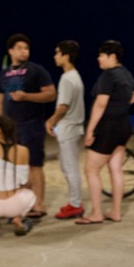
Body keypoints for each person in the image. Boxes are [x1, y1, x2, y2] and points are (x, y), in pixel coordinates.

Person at [76, 40, 134, 225]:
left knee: (91, 169)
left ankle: (96, 213)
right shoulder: (126, 74)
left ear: (112, 57)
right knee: (115, 168)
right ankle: (116, 211)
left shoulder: (108, 75)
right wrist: (124, 104)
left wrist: (89, 130)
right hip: (123, 125)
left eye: (101, 55)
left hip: (108, 127)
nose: (98, 59)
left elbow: (101, 103)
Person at [0, 33, 56, 218]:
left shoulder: (36, 70)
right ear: (10, 51)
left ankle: (39, 205)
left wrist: (27, 96)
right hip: (10, 128)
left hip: (31, 125)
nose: (24, 51)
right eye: (20, 48)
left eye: (26, 48)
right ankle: (21, 204)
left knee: (34, 165)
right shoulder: (3, 74)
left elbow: (51, 94)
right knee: (15, 167)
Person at [45, 40, 86, 220]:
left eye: (57, 53)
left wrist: (51, 120)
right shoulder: (75, 76)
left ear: (66, 56)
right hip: (73, 127)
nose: (55, 56)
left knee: (70, 168)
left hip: (69, 128)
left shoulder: (67, 78)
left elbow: (63, 106)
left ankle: (76, 204)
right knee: (67, 166)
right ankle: (74, 201)